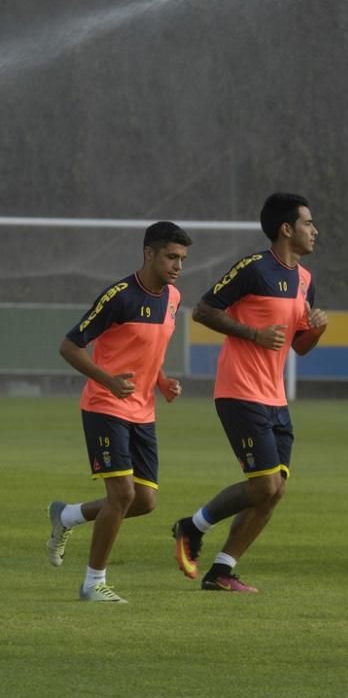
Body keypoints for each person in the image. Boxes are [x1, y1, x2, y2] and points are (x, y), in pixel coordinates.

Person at [172, 192, 328, 592]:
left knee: (274, 492)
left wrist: (316, 330)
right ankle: (192, 526)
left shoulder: (305, 280)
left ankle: (222, 570)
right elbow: (203, 310)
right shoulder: (253, 268)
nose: (315, 230)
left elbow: (298, 346)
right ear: (286, 228)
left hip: (275, 399)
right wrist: (253, 333)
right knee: (264, 485)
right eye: (309, 223)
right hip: (239, 390)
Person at [47, 221, 192, 603]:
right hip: (104, 405)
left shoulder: (173, 298)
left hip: (142, 411)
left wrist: (161, 381)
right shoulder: (119, 296)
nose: (177, 265)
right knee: (122, 494)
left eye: (182, 259)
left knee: (144, 501)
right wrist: (107, 379)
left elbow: (147, 350)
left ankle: (68, 516)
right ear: (149, 253)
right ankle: (94, 583)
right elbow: (69, 346)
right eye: (170, 257)